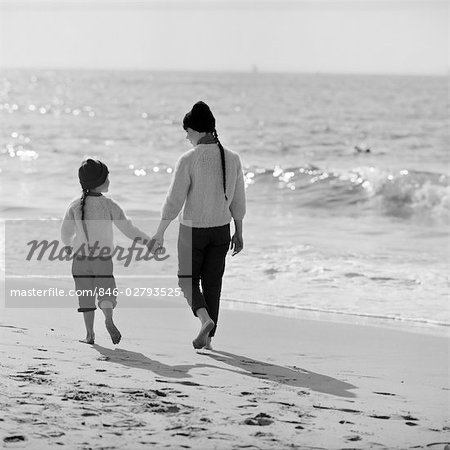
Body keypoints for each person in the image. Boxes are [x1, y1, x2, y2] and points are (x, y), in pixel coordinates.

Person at [152, 101, 246, 350]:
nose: (186, 137)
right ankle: (209, 340)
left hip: (193, 231)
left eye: (187, 131)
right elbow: (238, 199)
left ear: (196, 130)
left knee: (186, 280)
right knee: (213, 284)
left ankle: (204, 320)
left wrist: (160, 232)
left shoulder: (189, 159)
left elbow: (174, 200)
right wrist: (239, 230)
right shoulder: (233, 158)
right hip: (221, 230)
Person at [61, 159, 158, 345]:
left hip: (80, 259)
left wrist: (67, 245)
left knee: (85, 297)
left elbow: (65, 232)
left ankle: (89, 335)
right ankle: (108, 318)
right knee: (106, 292)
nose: (109, 180)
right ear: (99, 182)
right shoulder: (109, 205)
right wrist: (148, 242)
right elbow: (129, 230)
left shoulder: (74, 205)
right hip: (103, 259)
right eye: (107, 177)